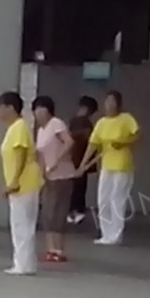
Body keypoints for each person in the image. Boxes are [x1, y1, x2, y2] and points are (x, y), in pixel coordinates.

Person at [78, 91, 140, 246]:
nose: (110, 105)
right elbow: (93, 144)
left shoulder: (126, 119)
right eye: (107, 101)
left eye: (113, 101)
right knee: (103, 199)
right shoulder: (101, 123)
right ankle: (106, 234)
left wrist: (124, 142)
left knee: (117, 199)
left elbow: (137, 135)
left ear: (119, 103)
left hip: (122, 166)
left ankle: (116, 234)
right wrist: (83, 164)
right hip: (106, 165)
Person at [0, 92, 43, 277]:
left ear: (10, 108)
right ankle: (25, 263)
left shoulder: (19, 127)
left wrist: (14, 181)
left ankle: (22, 264)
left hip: (24, 183)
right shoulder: (13, 128)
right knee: (22, 225)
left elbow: (21, 155)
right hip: (21, 183)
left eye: (1, 108)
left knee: (21, 225)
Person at [33, 96, 75, 264]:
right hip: (48, 176)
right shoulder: (40, 131)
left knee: (58, 211)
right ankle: (50, 248)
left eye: (42, 108)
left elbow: (69, 142)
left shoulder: (56, 124)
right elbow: (40, 154)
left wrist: (57, 159)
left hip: (62, 175)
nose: (38, 113)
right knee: (47, 212)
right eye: (36, 109)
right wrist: (41, 172)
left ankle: (59, 249)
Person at [67, 95, 98, 225]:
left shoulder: (73, 122)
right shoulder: (85, 123)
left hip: (76, 159)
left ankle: (73, 211)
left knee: (76, 187)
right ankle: (76, 211)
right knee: (78, 187)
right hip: (79, 159)